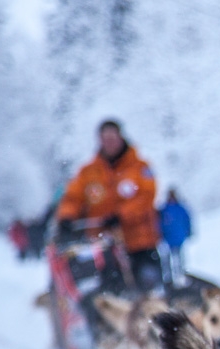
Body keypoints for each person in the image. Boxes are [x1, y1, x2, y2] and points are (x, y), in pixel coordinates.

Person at [55, 119, 163, 291]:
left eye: (112, 137)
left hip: (140, 242)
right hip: (104, 245)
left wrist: (121, 215)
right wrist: (66, 217)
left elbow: (146, 197)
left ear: (121, 137)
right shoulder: (88, 172)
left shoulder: (139, 167)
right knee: (110, 292)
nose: (109, 142)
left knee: (149, 290)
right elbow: (72, 198)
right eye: (105, 138)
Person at [158, 188, 193, 285]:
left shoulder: (168, 209)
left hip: (174, 237)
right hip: (173, 237)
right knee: (171, 258)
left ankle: (178, 276)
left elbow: (187, 221)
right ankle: (172, 277)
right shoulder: (169, 209)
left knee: (177, 258)